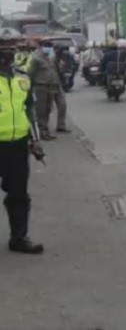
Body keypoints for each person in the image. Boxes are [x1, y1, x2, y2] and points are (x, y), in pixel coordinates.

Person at [0, 38, 45, 254]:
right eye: (2, 47)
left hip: (17, 146)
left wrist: (35, 141)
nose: (6, 52)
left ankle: (19, 238)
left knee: (19, 194)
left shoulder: (22, 77)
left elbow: (30, 111)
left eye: (10, 48)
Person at [28, 40, 68, 139]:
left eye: (50, 47)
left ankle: (46, 131)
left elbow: (56, 70)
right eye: (46, 47)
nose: (48, 49)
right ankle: (41, 132)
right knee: (41, 110)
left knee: (48, 109)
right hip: (40, 87)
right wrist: (31, 86)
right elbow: (30, 73)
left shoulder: (49, 58)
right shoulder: (36, 58)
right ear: (41, 47)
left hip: (51, 87)